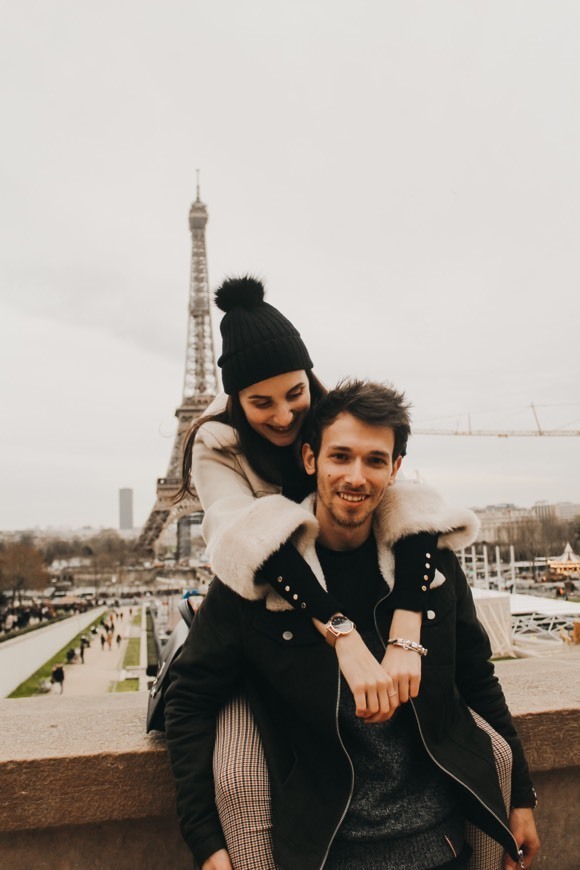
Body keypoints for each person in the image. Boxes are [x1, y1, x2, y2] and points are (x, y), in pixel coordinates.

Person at [166, 379, 540, 870]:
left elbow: (477, 675)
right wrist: (207, 843)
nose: (356, 476)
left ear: (396, 469)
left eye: (375, 460)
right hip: (327, 854)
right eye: (340, 456)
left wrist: (522, 798)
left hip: (443, 848)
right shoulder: (255, 577)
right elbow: (189, 698)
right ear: (309, 460)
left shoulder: (434, 568)